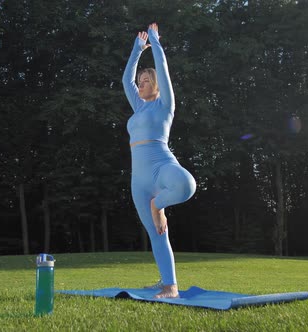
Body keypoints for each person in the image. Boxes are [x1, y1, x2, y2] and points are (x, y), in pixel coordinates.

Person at [122, 23, 196, 299]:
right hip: (138, 179)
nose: (141, 85)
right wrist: (136, 50)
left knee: (186, 185)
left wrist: (154, 41)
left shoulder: (165, 104)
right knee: (157, 234)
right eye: (140, 82)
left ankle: (159, 204)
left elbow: (162, 67)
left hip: (162, 166)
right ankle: (169, 285)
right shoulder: (138, 107)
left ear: (156, 85)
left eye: (146, 81)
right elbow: (125, 81)